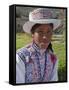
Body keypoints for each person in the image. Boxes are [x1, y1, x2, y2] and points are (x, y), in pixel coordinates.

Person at [16, 8, 61, 83]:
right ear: (32, 34)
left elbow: (54, 81)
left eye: (49, 32)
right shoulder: (21, 57)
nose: (45, 37)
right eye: (40, 32)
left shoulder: (53, 58)